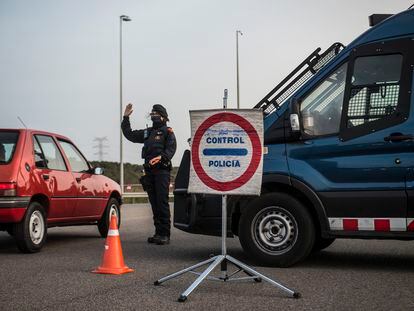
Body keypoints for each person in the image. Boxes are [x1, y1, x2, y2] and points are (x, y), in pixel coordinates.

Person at [121, 103, 177, 245]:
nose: (153, 116)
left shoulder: (167, 131)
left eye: (156, 114)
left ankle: (165, 234)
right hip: (149, 172)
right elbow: (130, 135)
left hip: (162, 172)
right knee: (154, 203)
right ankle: (158, 233)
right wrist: (126, 117)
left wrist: (162, 157)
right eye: (152, 114)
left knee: (161, 202)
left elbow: (171, 148)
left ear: (163, 117)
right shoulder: (147, 133)